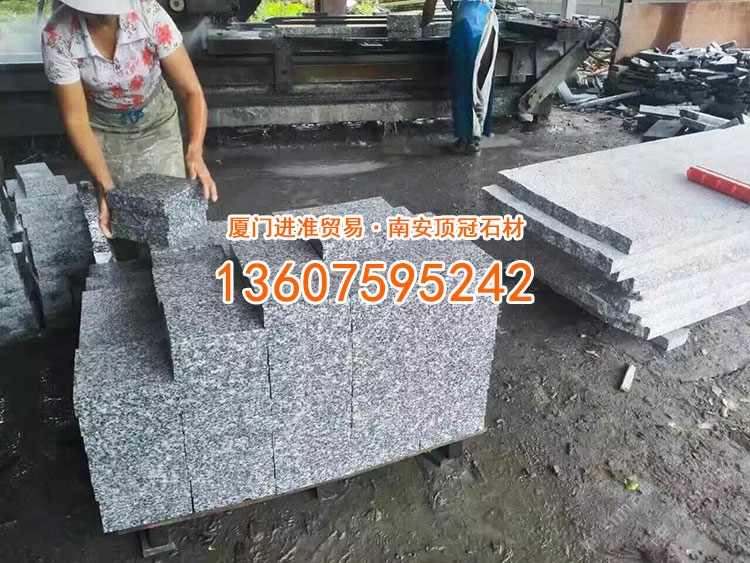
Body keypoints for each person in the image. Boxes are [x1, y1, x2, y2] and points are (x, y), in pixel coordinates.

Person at [41, 0, 217, 256]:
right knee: (120, 218)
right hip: (105, 130)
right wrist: (104, 185)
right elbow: (76, 120)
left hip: (157, 121)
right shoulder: (58, 35)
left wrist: (195, 151)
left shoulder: (148, 13)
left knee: (173, 217)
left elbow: (192, 91)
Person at [422, 0, 499, 155]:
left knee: (463, 83)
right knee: (481, 83)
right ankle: (475, 136)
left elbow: (430, 7)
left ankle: (466, 141)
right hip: (489, 24)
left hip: (467, 27)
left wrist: (422, 25)